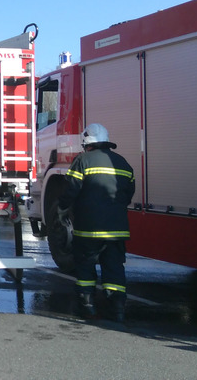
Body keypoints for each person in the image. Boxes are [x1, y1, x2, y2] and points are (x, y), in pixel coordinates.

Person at [57, 123, 135, 322]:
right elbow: (128, 194)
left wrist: (62, 209)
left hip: (88, 228)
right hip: (117, 229)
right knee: (114, 267)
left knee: (85, 267)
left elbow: (71, 190)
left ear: (87, 144)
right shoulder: (123, 163)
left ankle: (88, 307)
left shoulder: (82, 160)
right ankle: (117, 310)